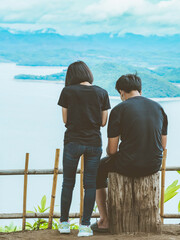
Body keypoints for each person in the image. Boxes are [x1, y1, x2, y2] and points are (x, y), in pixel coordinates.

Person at [91, 73, 168, 232]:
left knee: (99, 168)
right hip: (153, 165)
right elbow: (163, 146)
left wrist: (110, 151)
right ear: (140, 90)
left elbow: (112, 151)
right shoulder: (159, 108)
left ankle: (104, 220)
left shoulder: (119, 110)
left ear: (121, 92)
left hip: (129, 164)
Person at [57, 61, 111, 237]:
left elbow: (65, 120)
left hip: (72, 141)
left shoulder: (67, 92)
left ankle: (64, 224)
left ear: (71, 76)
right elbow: (103, 122)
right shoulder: (102, 93)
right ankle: (85, 226)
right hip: (94, 143)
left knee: (68, 183)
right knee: (90, 185)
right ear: (87, 73)